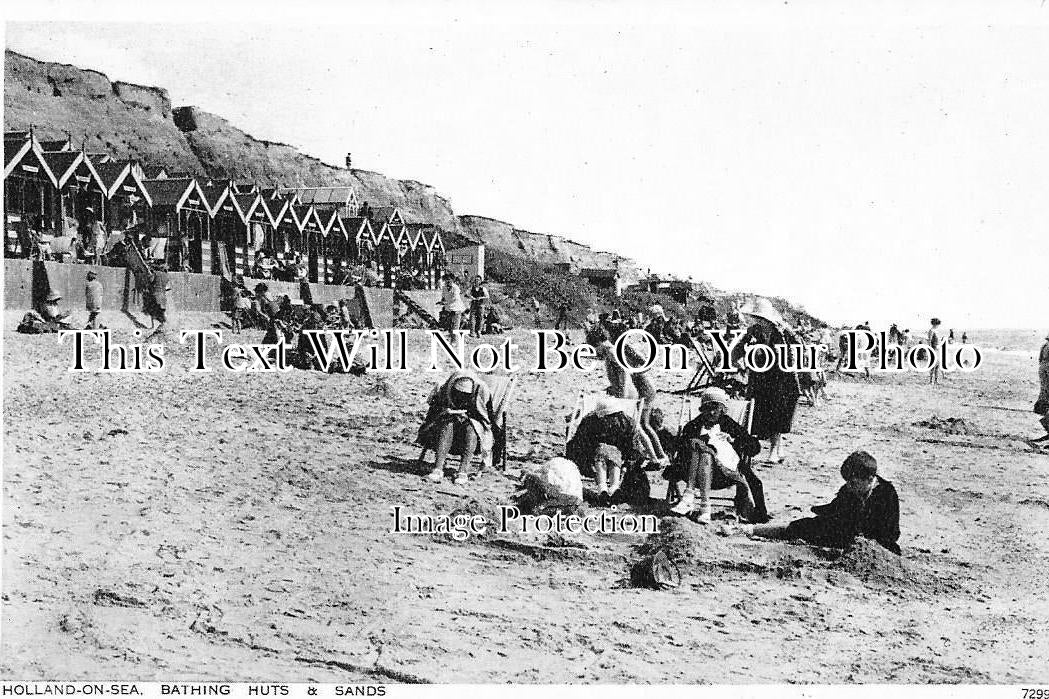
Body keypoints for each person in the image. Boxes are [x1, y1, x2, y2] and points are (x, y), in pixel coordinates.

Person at [743, 451, 900, 555]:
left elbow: (891, 532)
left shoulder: (886, 494)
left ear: (870, 479)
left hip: (874, 542)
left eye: (853, 482)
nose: (849, 486)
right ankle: (752, 530)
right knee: (800, 527)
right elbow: (834, 512)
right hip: (844, 534)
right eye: (847, 482)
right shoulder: (848, 490)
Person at [665, 388, 767, 523]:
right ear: (702, 409)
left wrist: (733, 440)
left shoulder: (729, 425)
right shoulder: (693, 425)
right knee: (702, 450)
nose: (712, 412)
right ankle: (703, 507)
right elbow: (679, 447)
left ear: (723, 409)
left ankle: (692, 499)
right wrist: (691, 444)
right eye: (707, 408)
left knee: (706, 452)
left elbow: (754, 447)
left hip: (723, 474)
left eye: (716, 408)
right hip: (693, 473)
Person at [585, 327, 670, 466]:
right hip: (627, 392)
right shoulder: (611, 352)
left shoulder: (612, 352)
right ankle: (654, 456)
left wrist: (622, 398)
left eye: (595, 347)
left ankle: (657, 457)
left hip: (628, 395)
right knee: (637, 426)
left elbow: (624, 374)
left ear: (599, 343)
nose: (596, 351)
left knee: (639, 427)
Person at [733, 298, 800, 464]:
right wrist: (738, 361)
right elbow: (737, 349)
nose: (759, 321)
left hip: (781, 379)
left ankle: (773, 451)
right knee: (762, 413)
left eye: (761, 318)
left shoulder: (781, 332)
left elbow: (797, 348)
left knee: (776, 414)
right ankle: (778, 449)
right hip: (761, 379)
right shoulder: (753, 331)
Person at [565, 396, 647, 506]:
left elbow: (578, 443)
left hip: (600, 458)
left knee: (604, 453)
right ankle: (614, 487)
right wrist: (627, 465)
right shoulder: (625, 422)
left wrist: (583, 461)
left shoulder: (590, 422)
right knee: (609, 453)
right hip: (613, 458)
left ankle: (602, 487)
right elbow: (634, 447)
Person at [418, 371, 494, 485]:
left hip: (471, 434)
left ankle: (463, 470)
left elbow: (486, 419)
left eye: (465, 394)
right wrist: (446, 412)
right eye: (457, 392)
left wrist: (467, 417)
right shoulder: (443, 389)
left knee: (472, 427)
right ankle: (438, 468)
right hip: (442, 432)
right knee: (448, 424)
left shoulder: (481, 392)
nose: (461, 396)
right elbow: (432, 414)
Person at [1029, 332, 1049, 448]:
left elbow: (1040, 360)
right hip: (1046, 374)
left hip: (1043, 373)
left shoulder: (1044, 345)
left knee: (1044, 403)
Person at [437, 274, 467, 339]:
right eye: (446, 279)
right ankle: (452, 338)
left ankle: (454, 341)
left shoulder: (455, 288)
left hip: (456, 308)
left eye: (449, 279)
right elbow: (443, 297)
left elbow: (455, 298)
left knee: (455, 326)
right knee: (450, 325)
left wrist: (445, 302)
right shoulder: (444, 288)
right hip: (448, 309)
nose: (448, 281)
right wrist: (441, 301)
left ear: (452, 280)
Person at [145, 261, 170, 334]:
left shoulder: (156, 273)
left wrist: (150, 274)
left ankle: (153, 326)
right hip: (163, 297)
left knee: (152, 311)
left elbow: (150, 281)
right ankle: (166, 324)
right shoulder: (166, 276)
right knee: (162, 311)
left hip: (155, 295)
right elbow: (168, 288)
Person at [927, 318, 944, 385]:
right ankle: (931, 380)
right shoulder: (931, 331)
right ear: (934, 324)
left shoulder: (937, 331)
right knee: (933, 365)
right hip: (933, 349)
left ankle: (936, 380)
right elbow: (929, 341)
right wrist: (931, 350)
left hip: (938, 349)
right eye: (937, 324)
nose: (937, 325)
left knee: (937, 365)